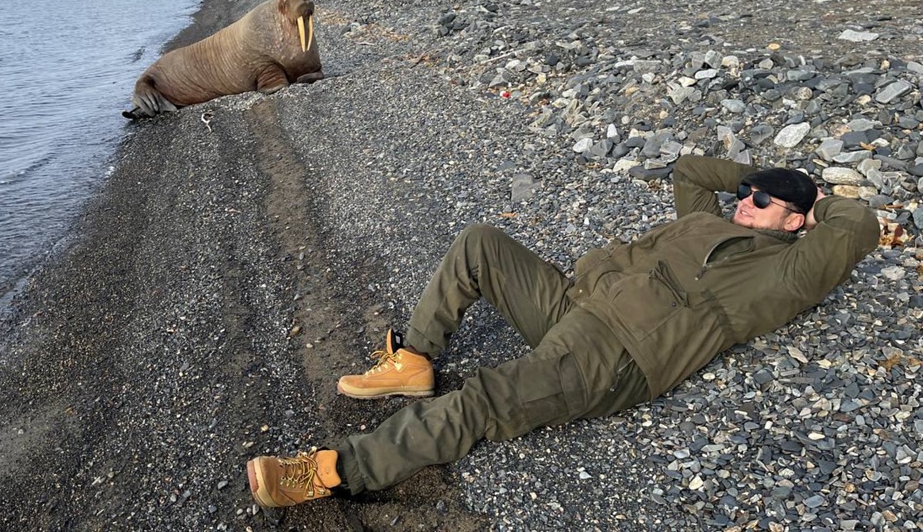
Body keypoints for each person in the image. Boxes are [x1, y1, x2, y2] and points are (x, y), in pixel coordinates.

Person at [246, 155, 880, 507]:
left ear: (797, 223)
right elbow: (689, 172)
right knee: (480, 244)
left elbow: (857, 228)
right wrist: (760, 176)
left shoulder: (784, 272)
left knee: (482, 401)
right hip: (573, 304)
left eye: (764, 203)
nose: (746, 203)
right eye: (747, 194)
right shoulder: (711, 223)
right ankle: (414, 360)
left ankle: (330, 472)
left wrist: (816, 194)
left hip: (616, 354)